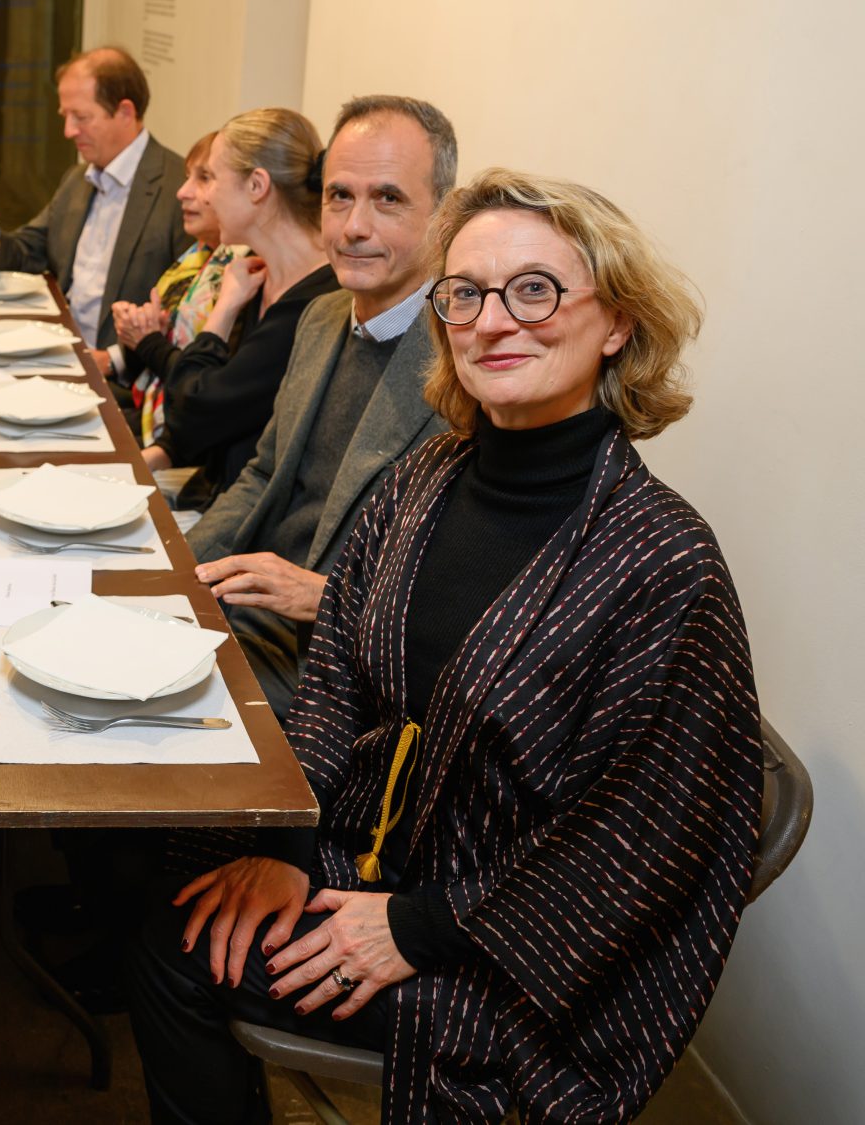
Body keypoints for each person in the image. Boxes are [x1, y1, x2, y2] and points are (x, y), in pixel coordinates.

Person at [127, 170, 760, 1123]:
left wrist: (417, 929)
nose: (493, 321)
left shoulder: (664, 562)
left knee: (175, 953)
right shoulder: (425, 477)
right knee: (176, 881)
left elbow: (642, 839)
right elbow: (339, 674)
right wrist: (292, 847)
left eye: (535, 289)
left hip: (519, 949)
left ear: (619, 322)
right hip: (372, 859)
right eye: (464, 293)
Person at [184, 96, 457, 716]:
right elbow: (261, 477)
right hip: (245, 618)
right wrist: (175, 575)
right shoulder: (322, 316)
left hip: (341, 671)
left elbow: (460, 595)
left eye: (388, 199)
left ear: (444, 216)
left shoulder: (465, 359)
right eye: (340, 196)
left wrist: (326, 595)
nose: (354, 226)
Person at [118, 107, 337, 495]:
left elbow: (194, 410)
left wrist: (222, 312)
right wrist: (160, 453)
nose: (195, 194)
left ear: (257, 186)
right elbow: (213, 413)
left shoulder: (312, 305)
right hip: (216, 492)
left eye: (211, 178)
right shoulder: (258, 273)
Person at [0, 47, 189, 350]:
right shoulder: (77, 179)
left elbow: (186, 314)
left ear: (125, 112)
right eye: (65, 116)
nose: (68, 131)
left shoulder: (179, 189)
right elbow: (31, 250)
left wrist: (115, 362)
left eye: (81, 117)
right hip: (60, 347)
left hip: (120, 378)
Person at [99, 130, 249, 444]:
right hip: (154, 416)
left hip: (187, 439)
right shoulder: (197, 256)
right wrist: (135, 334)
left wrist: (147, 339)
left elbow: (203, 382)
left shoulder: (244, 272)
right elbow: (165, 342)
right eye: (187, 177)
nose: (182, 192)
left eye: (204, 178)